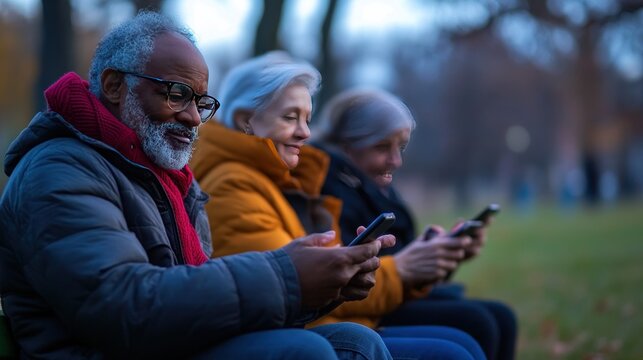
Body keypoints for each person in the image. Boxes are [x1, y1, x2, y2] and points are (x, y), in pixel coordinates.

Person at [0, 12, 397, 360]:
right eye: (176, 95)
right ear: (114, 86)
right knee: (305, 350)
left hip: (167, 344)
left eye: (201, 102)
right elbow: (123, 308)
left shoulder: (169, 179)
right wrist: (286, 275)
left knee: (354, 342)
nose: (192, 117)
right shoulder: (58, 170)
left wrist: (321, 286)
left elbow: (197, 299)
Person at [190, 51, 486, 360]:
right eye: (290, 117)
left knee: (465, 337)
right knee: (454, 348)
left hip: (332, 326)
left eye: (307, 118)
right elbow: (300, 283)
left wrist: (399, 264)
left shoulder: (281, 177)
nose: (305, 132)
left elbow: (322, 270)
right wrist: (400, 270)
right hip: (305, 335)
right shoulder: (232, 184)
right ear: (244, 120)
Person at [312, 88, 518, 360]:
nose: (396, 161)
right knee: (477, 323)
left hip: (393, 296)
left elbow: (402, 255)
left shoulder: (373, 186)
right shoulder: (329, 191)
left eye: (401, 147)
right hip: (364, 311)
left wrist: (444, 255)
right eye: (382, 147)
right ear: (345, 145)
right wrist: (409, 266)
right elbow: (347, 283)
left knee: (499, 317)